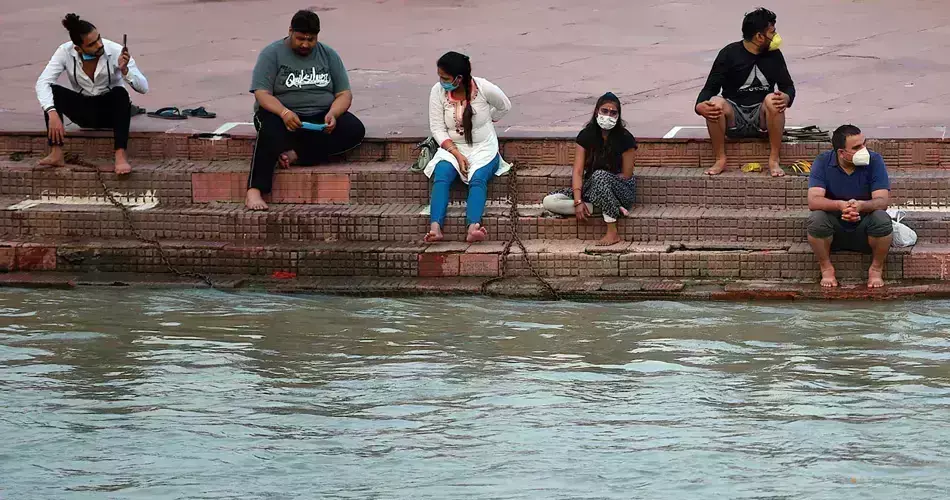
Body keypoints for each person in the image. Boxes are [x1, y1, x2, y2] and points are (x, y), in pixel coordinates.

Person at [245, 9, 366, 210]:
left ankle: (297, 154)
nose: (305, 44)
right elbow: (261, 93)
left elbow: (344, 94)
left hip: (318, 116)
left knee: (354, 129)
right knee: (269, 131)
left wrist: (333, 113)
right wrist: (284, 112)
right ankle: (255, 190)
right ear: (290, 31)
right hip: (281, 114)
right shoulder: (271, 54)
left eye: (311, 39)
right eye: (300, 38)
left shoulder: (328, 54)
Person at [35, 13, 148, 174]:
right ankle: (56, 153)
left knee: (120, 93)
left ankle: (120, 155)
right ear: (78, 48)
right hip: (84, 112)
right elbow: (42, 82)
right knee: (52, 92)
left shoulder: (115, 51)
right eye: (92, 44)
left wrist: (125, 70)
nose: (99, 45)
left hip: (110, 112)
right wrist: (51, 112)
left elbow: (144, 88)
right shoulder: (65, 52)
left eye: (99, 39)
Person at [694, 7, 795, 178]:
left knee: (773, 99)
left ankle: (773, 159)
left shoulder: (774, 55)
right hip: (735, 116)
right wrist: (699, 107)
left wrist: (786, 97)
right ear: (759, 36)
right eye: (772, 32)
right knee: (715, 103)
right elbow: (710, 88)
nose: (776, 37)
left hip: (762, 118)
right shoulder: (729, 54)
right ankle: (720, 159)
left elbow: (788, 87)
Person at [423, 51, 512, 243]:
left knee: (478, 178)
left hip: (483, 148)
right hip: (452, 148)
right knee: (442, 174)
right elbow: (437, 128)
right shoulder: (437, 92)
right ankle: (435, 228)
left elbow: (505, 105)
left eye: (445, 78)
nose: (441, 81)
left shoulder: (483, 87)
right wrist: (455, 153)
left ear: (459, 78)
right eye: (439, 76)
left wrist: (490, 118)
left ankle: (473, 226)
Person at [542, 92, 637, 246]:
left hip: (622, 191)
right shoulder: (586, 135)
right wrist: (578, 201)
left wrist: (605, 182)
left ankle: (612, 232)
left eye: (613, 113)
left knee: (600, 176)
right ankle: (607, 206)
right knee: (550, 201)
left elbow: (626, 175)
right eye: (604, 111)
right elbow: (578, 171)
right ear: (596, 112)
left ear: (618, 116)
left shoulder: (625, 138)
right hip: (591, 189)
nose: (608, 116)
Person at [806, 124, 892, 289]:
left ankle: (876, 269)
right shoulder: (823, 161)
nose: (863, 150)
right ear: (841, 153)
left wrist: (861, 206)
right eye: (857, 147)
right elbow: (813, 200)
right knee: (816, 219)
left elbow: (882, 201)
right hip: (834, 227)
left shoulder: (875, 160)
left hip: (865, 227)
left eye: (864, 144)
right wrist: (839, 205)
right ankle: (826, 268)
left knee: (882, 218)